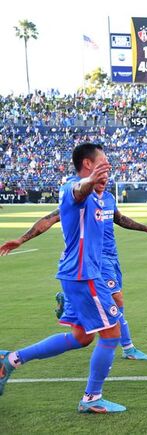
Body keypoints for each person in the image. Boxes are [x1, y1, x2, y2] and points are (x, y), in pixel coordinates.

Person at [0, 143, 127, 412]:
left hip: (75, 274)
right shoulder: (75, 188)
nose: (108, 167)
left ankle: (10, 360)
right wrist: (89, 182)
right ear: (88, 164)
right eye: (103, 162)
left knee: (81, 337)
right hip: (84, 276)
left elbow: (52, 217)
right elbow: (77, 191)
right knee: (111, 332)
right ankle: (91, 398)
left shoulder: (95, 195)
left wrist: (22, 239)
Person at [0, 187, 147, 361]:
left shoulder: (109, 197)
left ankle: (69, 300)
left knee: (88, 330)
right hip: (94, 257)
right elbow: (49, 219)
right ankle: (128, 347)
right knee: (116, 298)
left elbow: (120, 219)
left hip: (111, 255)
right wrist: (21, 239)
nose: (104, 177)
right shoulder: (81, 200)